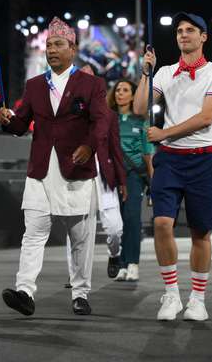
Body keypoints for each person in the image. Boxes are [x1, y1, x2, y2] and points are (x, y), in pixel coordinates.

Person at [0, 17, 108, 317]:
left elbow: (102, 122)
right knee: (33, 233)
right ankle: (25, 292)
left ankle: (81, 292)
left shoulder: (92, 84)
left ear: (73, 49)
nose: (52, 50)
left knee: (80, 238)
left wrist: (90, 147)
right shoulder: (34, 85)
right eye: (48, 45)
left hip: (77, 170)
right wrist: (9, 121)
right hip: (41, 171)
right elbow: (22, 124)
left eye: (59, 44)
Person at [133, 12, 212, 322]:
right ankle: (171, 294)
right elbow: (138, 108)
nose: (183, 34)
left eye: (190, 30)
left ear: (203, 37)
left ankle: (198, 299)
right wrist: (146, 73)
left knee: (201, 232)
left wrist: (163, 133)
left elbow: (205, 118)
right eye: (179, 30)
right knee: (162, 224)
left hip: (205, 159)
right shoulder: (163, 72)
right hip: (170, 160)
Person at [63, 67, 128, 285]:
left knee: (115, 228)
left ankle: (114, 254)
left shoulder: (108, 115)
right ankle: (74, 275)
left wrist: (122, 181)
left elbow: (116, 150)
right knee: (75, 230)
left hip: (104, 179)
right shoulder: (68, 113)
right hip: (78, 178)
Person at [109, 79, 154, 282]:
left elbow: (147, 153)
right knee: (117, 223)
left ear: (134, 96)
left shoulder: (141, 121)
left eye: (125, 90)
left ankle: (132, 263)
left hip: (134, 175)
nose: (120, 93)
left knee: (132, 218)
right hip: (111, 177)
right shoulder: (109, 119)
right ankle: (122, 264)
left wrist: (152, 181)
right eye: (118, 90)